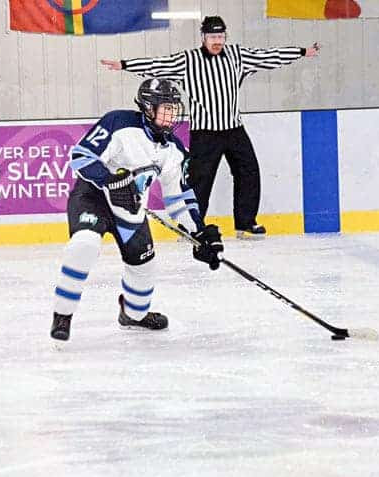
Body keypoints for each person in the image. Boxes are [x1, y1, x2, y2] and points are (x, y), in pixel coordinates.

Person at [101, 15, 320, 240]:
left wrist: (302, 52)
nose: (217, 41)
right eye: (213, 36)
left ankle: (245, 224)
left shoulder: (237, 56)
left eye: (221, 36)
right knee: (199, 180)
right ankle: (192, 226)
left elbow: (268, 56)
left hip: (234, 128)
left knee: (249, 172)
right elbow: (158, 65)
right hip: (205, 132)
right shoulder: (188, 61)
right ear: (203, 37)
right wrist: (125, 65)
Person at [51, 78, 224, 341]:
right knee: (84, 244)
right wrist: (109, 180)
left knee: (145, 268)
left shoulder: (175, 151)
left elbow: (178, 198)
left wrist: (199, 234)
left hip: (130, 208)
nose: (172, 115)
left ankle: (133, 314)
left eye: (174, 109)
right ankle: (62, 316)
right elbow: (81, 156)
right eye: (166, 108)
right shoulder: (118, 123)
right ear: (147, 108)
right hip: (93, 197)